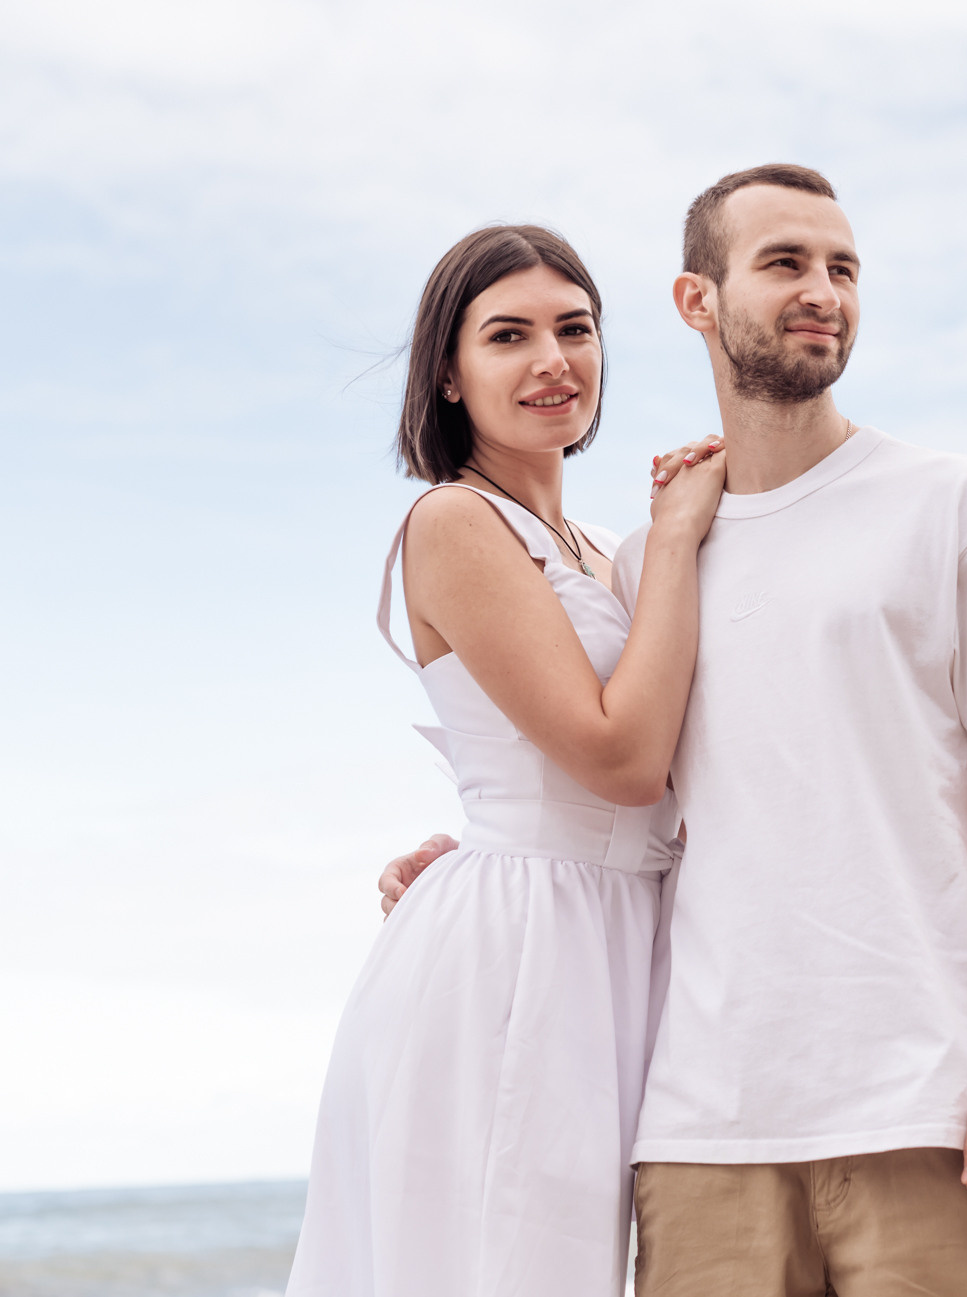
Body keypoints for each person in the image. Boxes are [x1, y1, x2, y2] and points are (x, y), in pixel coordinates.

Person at [382, 164, 967, 1296]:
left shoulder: (957, 505)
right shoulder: (649, 558)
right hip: (698, 1131)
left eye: (843, 267)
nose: (822, 291)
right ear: (697, 301)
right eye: (784, 264)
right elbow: (633, 776)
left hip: (924, 1105)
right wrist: (471, 855)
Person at [285, 224, 727, 1297]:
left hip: (626, 936)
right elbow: (620, 759)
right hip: (523, 951)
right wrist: (677, 540)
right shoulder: (453, 520)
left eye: (576, 329)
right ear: (449, 371)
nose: (552, 361)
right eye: (508, 335)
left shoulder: (604, 549)